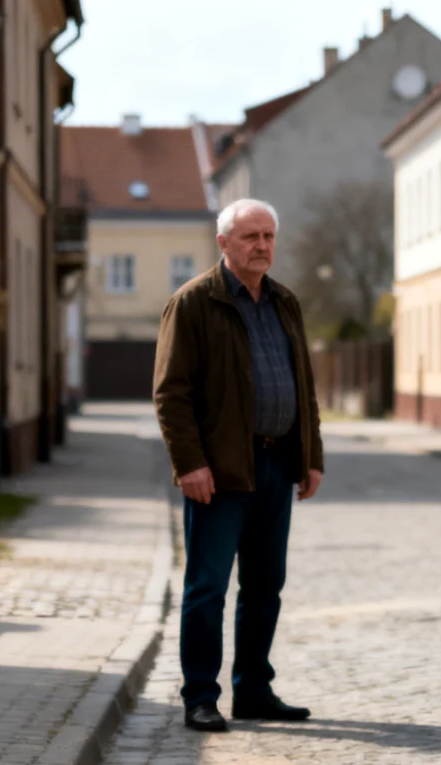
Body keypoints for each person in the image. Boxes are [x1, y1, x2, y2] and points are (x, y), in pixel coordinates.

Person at [154, 198, 325, 732]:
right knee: (207, 586)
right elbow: (171, 393)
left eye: (269, 236)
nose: (262, 246)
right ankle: (200, 695)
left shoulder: (285, 302)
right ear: (223, 243)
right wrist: (190, 464)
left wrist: (310, 455)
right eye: (250, 236)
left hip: (277, 465)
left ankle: (253, 689)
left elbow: (304, 384)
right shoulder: (193, 303)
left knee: (265, 583)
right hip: (219, 470)